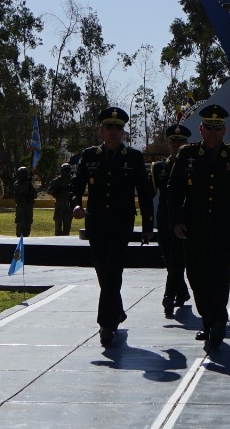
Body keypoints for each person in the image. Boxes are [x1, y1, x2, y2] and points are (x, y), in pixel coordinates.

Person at [71, 106, 154, 347]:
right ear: (101, 130)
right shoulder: (89, 156)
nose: (114, 132)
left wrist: (148, 224)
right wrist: (75, 204)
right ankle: (116, 310)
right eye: (109, 127)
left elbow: (145, 194)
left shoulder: (134, 157)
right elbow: (76, 185)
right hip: (96, 223)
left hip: (121, 223)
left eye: (118, 128)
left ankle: (106, 325)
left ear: (123, 132)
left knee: (113, 271)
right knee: (102, 272)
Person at [168, 104, 230, 353]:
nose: (213, 132)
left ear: (224, 130)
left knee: (220, 275)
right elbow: (174, 190)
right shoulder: (187, 154)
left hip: (224, 228)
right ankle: (208, 319)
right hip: (195, 228)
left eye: (218, 128)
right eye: (208, 127)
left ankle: (218, 321)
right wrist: (176, 221)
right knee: (196, 276)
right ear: (201, 129)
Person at [151, 124, 192, 318]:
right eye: (174, 141)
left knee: (177, 260)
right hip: (164, 220)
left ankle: (169, 297)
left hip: (184, 220)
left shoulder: (193, 166)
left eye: (181, 141)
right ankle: (182, 292)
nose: (177, 145)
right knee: (169, 260)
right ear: (169, 144)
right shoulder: (159, 167)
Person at [47, 164, 74, 236]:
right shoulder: (56, 181)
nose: (68, 171)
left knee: (67, 227)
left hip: (69, 206)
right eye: (66, 170)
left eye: (69, 170)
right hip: (59, 205)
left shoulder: (73, 180)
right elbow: (49, 191)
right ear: (62, 170)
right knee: (58, 226)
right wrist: (57, 190)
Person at [12, 166, 38, 238]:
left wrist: (29, 185)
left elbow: (35, 195)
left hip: (29, 206)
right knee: (20, 224)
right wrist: (27, 183)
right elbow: (21, 190)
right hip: (21, 207)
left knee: (28, 223)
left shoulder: (29, 184)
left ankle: (26, 237)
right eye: (23, 173)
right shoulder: (17, 183)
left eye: (25, 173)